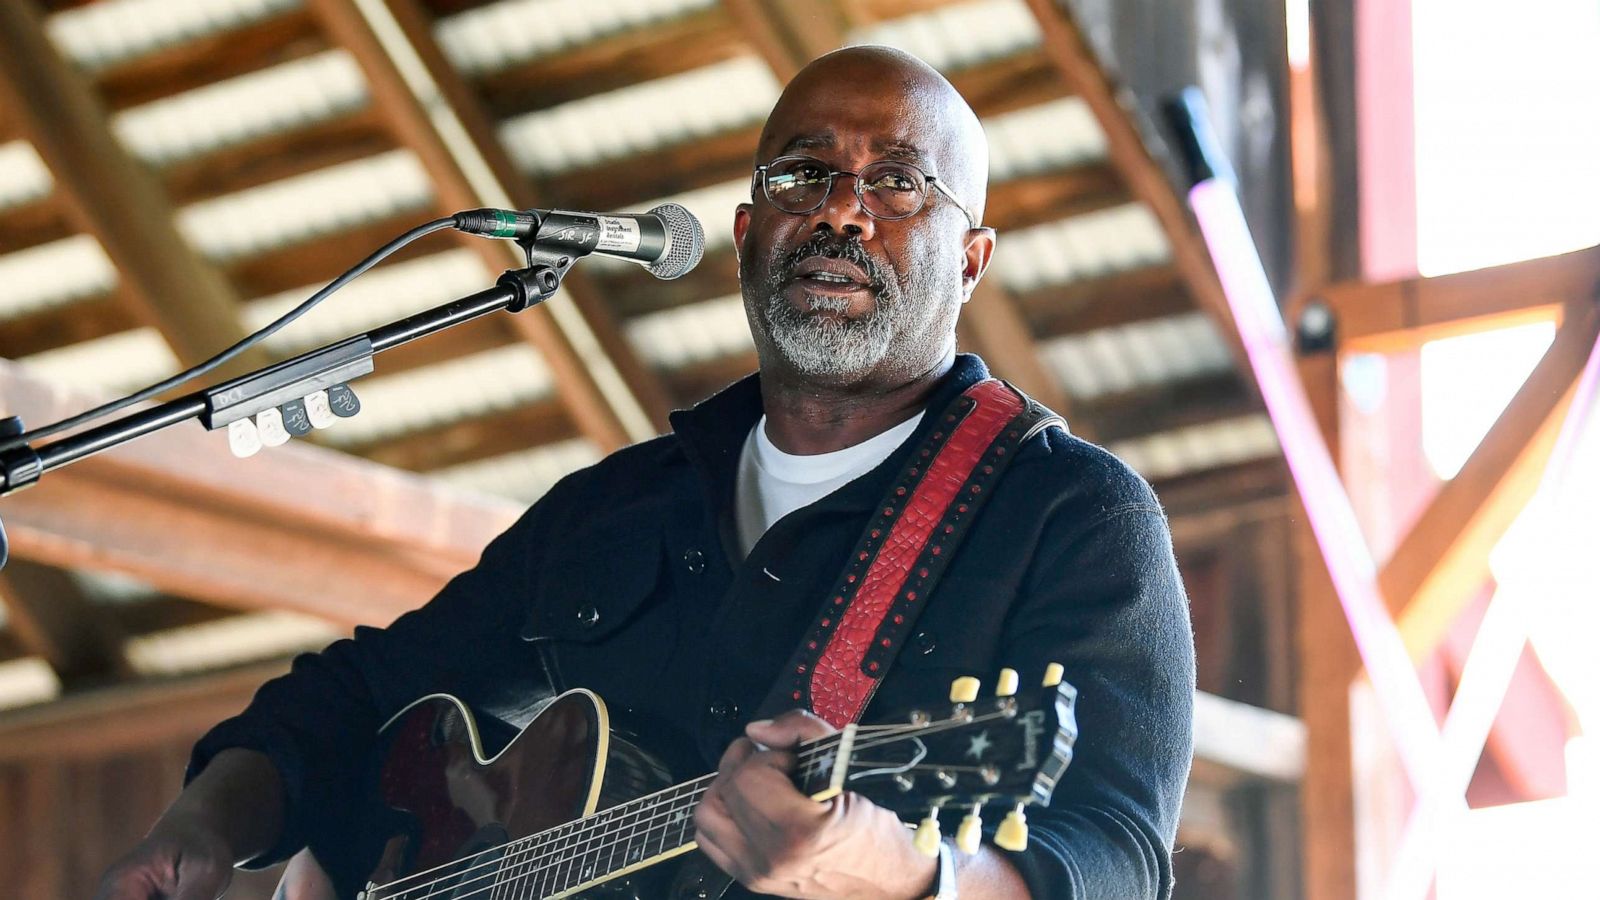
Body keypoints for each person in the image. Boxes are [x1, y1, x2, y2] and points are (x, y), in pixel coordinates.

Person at [97, 46, 1194, 900]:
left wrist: (901, 877)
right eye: (803, 172)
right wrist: (209, 821)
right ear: (746, 229)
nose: (842, 208)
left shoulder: (1069, 513)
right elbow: (362, 695)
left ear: (971, 258)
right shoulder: (621, 504)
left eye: (900, 183)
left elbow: (1113, 855)